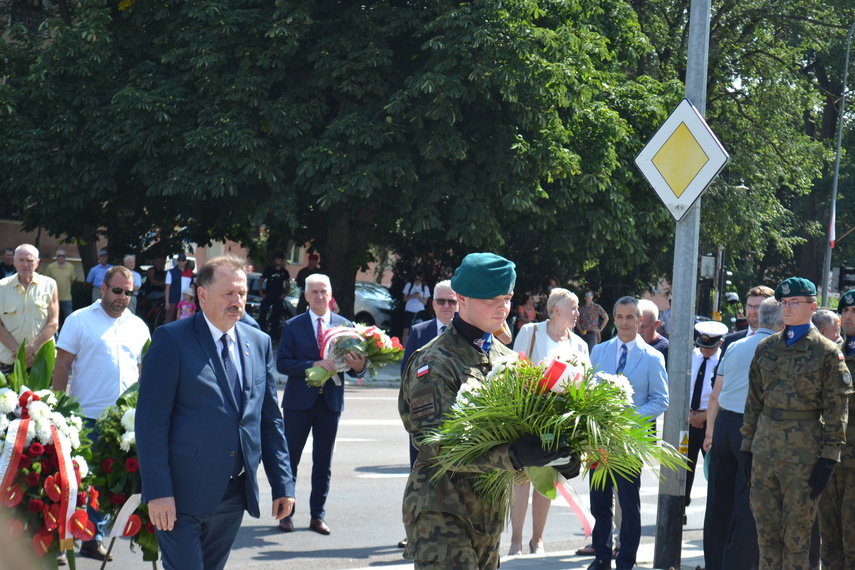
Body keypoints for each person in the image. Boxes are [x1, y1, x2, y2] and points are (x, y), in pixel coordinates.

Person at [399, 252, 577, 569]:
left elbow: (521, 431)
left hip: (488, 517)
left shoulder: (505, 358)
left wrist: (553, 458)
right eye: (491, 299)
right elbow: (438, 446)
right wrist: (515, 456)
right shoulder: (434, 362)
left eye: (506, 298)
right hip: (442, 514)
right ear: (461, 298)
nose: (502, 307)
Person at [136, 255, 296, 570]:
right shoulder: (173, 340)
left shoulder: (258, 342)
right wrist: (157, 492)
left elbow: (269, 420)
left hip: (233, 494)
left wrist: (283, 484)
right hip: (181, 496)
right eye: (228, 294)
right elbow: (151, 422)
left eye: (242, 294)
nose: (237, 301)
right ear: (203, 296)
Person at [741, 277, 850, 569]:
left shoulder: (826, 353)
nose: (787, 308)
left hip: (803, 458)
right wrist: (747, 448)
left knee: (797, 541)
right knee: (766, 538)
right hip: (765, 453)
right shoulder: (767, 347)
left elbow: (837, 409)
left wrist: (828, 459)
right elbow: (753, 403)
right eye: (784, 303)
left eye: (794, 303)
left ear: (812, 306)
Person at [51, 265, 150, 561]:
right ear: (103, 288)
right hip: (85, 416)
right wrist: (57, 408)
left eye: (128, 293)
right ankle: (63, 542)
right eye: (117, 290)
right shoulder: (79, 320)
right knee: (76, 483)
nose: (122, 298)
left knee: (109, 485)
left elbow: (145, 374)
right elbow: (62, 366)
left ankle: (93, 539)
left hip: (123, 423)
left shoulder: (138, 326)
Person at [276, 273, 365, 535]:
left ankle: (317, 516)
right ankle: (285, 514)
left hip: (330, 402)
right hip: (298, 402)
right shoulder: (293, 325)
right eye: (313, 292)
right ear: (305, 296)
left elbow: (355, 366)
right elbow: (282, 363)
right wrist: (311, 365)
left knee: (323, 463)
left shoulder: (345, 325)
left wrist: (359, 368)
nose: (319, 296)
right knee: (289, 460)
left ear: (330, 294)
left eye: (323, 291)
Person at [587, 296, 668, 570]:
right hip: (600, 439)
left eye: (630, 317)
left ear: (639, 320)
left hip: (630, 441)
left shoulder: (652, 357)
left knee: (628, 504)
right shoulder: (599, 352)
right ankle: (601, 555)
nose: (624, 322)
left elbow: (661, 400)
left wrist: (629, 417)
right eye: (619, 317)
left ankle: (626, 561)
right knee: (599, 501)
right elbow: (588, 390)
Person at [703, 297, 782, 570]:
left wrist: (710, 432)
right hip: (752, 429)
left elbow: (715, 394)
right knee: (749, 506)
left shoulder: (734, 346)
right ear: (782, 321)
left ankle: (714, 563)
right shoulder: (779, 349)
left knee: (717, 505)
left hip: (724, 424)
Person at [510, 288, 589, 556]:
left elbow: (584, 384)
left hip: (558, 423)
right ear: (556, 310)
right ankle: (516, 540)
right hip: (528, 416)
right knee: (521, 478)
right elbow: (514, 370)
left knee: (546, 479)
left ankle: (538, 540)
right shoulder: (530, 333)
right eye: (574, 308)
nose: (578, 314)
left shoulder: (579, 345)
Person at [395, 279, 457, 549]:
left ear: (459, 304)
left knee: (452, 479)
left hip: (456, 423)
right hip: (422, 422)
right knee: (419, 479)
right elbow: (405, 375)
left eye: (451, 301)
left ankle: (447, 532)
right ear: (432, 304)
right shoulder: (419, 332)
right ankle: (413, 533)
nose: (446, 306)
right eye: (441, 301)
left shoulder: (466, 334)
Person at [817, 289, 855, 568]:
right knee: (829, 536)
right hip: (832, 456)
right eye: (846, 311)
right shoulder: (834, 352)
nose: (849, 316)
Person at [685, 321, 727, 510]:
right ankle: (680, 507)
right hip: (687, 421)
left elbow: (721, 394)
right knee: (683, 469)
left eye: (708, 346)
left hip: (711, 423)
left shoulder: (723, 361)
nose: (703, 349)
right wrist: (689, 414)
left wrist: (703, 417)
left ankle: (715, 511)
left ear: (720, 343)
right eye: (701, 345)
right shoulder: (691, 357)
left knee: (715, 471)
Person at [0, 244, 59, 373]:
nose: (25, 264)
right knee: (6, 394)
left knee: (42, 394)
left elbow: (53, 323)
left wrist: (31, 348)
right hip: (9, 358)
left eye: (30, 260)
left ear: (37, 263)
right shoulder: (1, 287)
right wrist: (21, 352)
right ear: (14, 262)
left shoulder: (50, 285)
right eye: (21, 260)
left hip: (40, 358)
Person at [258, 253, 290, 335]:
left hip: (278, 296)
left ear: (282, 261)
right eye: (276, 259)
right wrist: (261, 292)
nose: (277, 261)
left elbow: (287, 285)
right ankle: (260, 331)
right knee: (263, 313)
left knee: (276, 315)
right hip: (268, 294)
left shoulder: (284, 272)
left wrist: (284, 294)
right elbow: (261, 280)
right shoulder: (269, 270)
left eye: (279, 259)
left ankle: (273, 335)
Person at [44, 249, 76, 328]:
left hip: (67, 297)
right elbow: (47, 281)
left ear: (65, 257)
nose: (61, 257)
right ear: (56, 257)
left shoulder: (70, 267)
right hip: (53, 298)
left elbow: (72, 280)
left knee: (69, 318)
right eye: (59, 256)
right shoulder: (51, 267)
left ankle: (69, 333)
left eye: (63, 256)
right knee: (53, 318)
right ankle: (54, 334)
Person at [637, 299, 669, 363]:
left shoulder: (665, 349)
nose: (639, 331)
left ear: (656, 324)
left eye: (645, 326)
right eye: (636, 326)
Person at [402, 274, 430, 345]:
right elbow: (404, 299)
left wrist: (419, 297)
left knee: (419, 329)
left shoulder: (425, 288)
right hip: (409, 309)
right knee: (406, 329)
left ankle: (418, 346)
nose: (418, 281)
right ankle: (404, 348)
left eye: (420, 280)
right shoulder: (409, 285)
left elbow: (425, 302)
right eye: (416, 279)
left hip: (419, 311)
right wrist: (412, 296)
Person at [164, 254, 193, 323]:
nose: (181, 262)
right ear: (177, 261)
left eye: (182, 260)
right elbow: (167, 288)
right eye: (179, 260)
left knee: (184, 321)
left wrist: (192, 300)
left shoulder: (190, 273)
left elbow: (192, 287)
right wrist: (167, 302)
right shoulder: (171, 272)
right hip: (173, 300)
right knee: (169, 320)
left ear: (186, 261)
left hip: (185, 301)